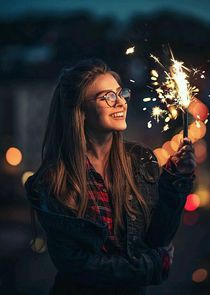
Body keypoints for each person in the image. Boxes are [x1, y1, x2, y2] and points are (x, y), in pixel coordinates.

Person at [24, 58, 196, 295]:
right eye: (107, 97)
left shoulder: (140, 161)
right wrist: (153, 265)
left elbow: (157, 239)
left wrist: (176, 180)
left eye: (120, 93)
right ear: (80, 111)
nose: (121, 103)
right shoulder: (52, 182)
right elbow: (80, 267)